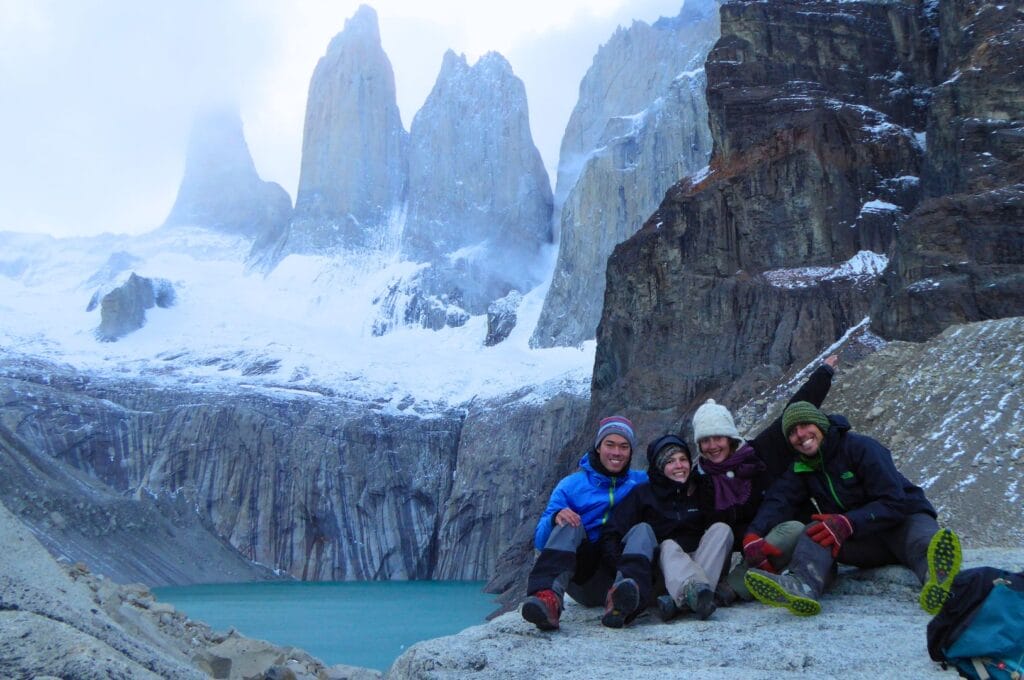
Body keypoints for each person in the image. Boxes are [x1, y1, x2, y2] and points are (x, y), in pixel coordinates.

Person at [742, 400, 962, 616]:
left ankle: (937, 581)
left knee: (922, 541)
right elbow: (780, 500)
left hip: (902, 522)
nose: (800, 435)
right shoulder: (803, 467)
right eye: (792, 432)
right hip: (862, 540)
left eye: (805, 426)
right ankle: (803, 585)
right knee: (815, 531)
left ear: (820, 425)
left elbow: (895, 502)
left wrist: (849, 522)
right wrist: (754, 534)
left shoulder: (861, 447)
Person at [692, 356, 838, 603]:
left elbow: (791, 414)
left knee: (793, 530)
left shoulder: (758, 454)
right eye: (705, 441)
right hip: (737, 542)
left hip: (771, 534)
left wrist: (823, 374)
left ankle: (731, 587)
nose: (712, 446)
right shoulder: (699, 479)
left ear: (730, 438)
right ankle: (702, 589)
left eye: (718, 438)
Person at [521, 415, 649, 631]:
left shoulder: (641, 482)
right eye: (610, 444)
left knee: (643, 530)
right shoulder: (571, 486)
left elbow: (670, 486)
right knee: (570, 522)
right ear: (598, 447)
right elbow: (541, 541)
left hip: (622, 579)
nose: (616, 452)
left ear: (630, 451)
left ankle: (620, 603)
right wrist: (555, 518)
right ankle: (548, 599)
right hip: (583, 579)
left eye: (624, 446)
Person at [597, 434, 733, 627]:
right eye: (670, 461)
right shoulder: (642, 495)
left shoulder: (701, 488)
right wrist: (620, 567)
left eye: (683, 459)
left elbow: (720, 521)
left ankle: (686, 600)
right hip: (664, 571)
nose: (679, 466)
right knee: (668, 545)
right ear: (660, 467)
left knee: (722, 529)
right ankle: (693, 594)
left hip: (700, 561)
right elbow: (612, 533)